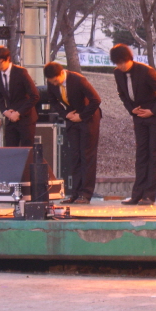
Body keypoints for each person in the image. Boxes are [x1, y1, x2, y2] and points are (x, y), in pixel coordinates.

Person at [110, 44, 156, 205]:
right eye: (117, 63)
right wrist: (131, 109)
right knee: (141, 153)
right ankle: (137, 194)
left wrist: (152, 111)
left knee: (155, 153)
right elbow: (122, 94)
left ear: (129, 59)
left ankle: (149, 195)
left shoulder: (146, 71)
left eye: (123, 62)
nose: (121, 66)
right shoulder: (117, 73)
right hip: (139, 115)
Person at [44, 62, 102, 205]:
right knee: (74, 156)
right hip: (72, 118)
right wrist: (65, 114)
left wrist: (81, 116)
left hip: (88, 118)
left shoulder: (78, 80)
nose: (54, 84)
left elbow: (96, 100)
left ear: (61, 73)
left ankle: (85, 194)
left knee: (86, 156)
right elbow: (52, 100)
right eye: (51, 82)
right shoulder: (51, 82)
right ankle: (74, 193)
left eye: (56, 81)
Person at [0, 45, 40, 147]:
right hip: (10, 119)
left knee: (27, 150)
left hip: (26, 118)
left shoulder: (21, 72)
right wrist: (5, 111)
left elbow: (34, 96)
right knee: (10, 150)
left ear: (7, 59)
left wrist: (18, 113)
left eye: (0, 62)